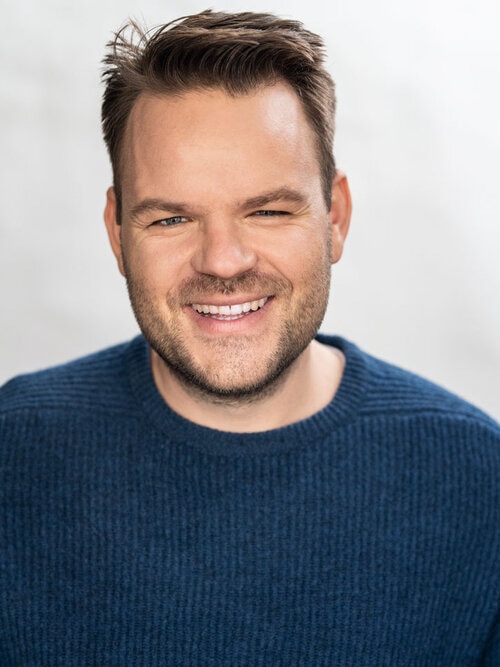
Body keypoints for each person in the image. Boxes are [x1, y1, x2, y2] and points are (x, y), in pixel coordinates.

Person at [1, 9, 499, 665]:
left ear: (336, 217)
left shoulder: (477, 482)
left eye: (267, 210)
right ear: (117, 233)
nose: (224, 259)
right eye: (172, 216)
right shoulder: (14, 450)